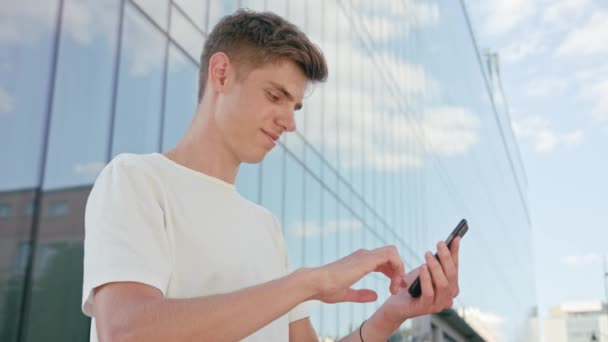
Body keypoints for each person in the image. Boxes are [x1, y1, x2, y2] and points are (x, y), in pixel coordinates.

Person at [81, 9, 461, 342]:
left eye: (294, 106)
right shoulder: (136, 180)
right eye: (275, 96)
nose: (290, 122)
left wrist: (390, 315)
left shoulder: (266, 227)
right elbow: (128, 331)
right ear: (222, 73)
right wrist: (307, 283)